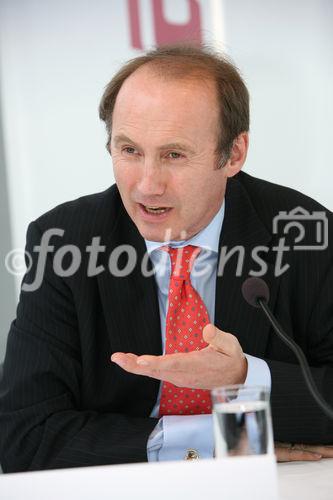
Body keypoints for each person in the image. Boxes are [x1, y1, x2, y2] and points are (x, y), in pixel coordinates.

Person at [0, 44, 332, 472]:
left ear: (233, 154)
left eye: (174, 155)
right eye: (129, 151)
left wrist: (243, 378)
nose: (147, 186)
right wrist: (219, 440)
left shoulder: (304, 232)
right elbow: (21, 434)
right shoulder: (64, 241)